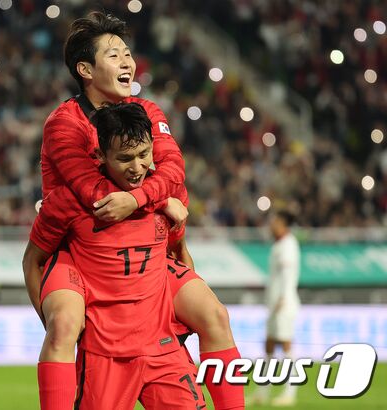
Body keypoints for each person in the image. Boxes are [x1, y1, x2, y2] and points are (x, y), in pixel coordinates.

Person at [30, 11, 244, 410]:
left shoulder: (147, 111)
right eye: (113, 55)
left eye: (128, 53)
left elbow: (174, 169)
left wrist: (145, 198)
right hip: (82, 250)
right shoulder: (65, 124)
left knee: (214, 315)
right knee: (63, 325)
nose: (128, 62)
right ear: (85, 69)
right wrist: (161, 199)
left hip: (145, 246)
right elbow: (94, 194)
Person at [24, 102, 205, 409]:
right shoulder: (71, 201)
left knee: (216, 315)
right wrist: (49, 321)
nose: (137, 167)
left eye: (144, 154)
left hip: (163, 352)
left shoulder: (169, 197)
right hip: (105, 357)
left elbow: (180, 255)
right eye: (124, 158)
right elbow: (33, 261)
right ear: (100, 156)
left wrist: (179, 328)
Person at [250, 210, 301, 407]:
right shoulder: (279, 245)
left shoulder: (288, 246)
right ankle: (262, 392)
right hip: (275, 304)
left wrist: (283, 299)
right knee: (269, 346)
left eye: (275, 222)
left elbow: (288, 276)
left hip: (284, 304)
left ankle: (290, 392)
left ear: (283, 224)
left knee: (286, 346)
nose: (272, 226)